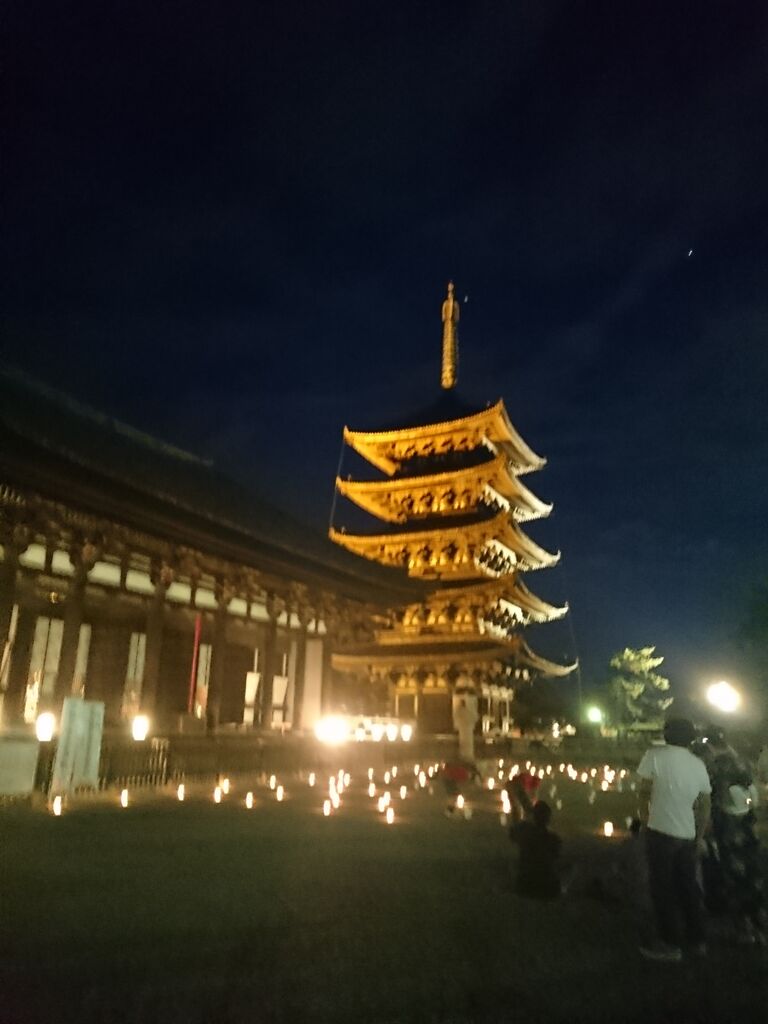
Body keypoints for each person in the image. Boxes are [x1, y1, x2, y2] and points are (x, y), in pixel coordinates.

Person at [636, 717, 711, 962]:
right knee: (688, 887)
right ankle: (697, 939)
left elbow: (644, 793)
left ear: (666, 734)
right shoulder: (697, 764)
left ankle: (669, 943)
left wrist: (645, 820)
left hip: (660, 830)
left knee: (662, 888)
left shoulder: (654, 756)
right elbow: (705, 804)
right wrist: (699, 835)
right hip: (687, 834)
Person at [704, 727, 765, 944]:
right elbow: (753, 796)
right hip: (747, 825)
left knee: (734, 876)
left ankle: (744, 927)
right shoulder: (741, 761)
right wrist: (748, 806)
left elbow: (713, 799)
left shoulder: (716, 766)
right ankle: (757, 923)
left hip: (729, 826)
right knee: (751, 875)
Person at [508, 800, 561, 899]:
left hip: (526, 882)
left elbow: (512, 834)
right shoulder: (553, 839)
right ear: (548, 818)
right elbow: (556, 858)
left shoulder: (524, 831)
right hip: (546, 885)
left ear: (534, 816)